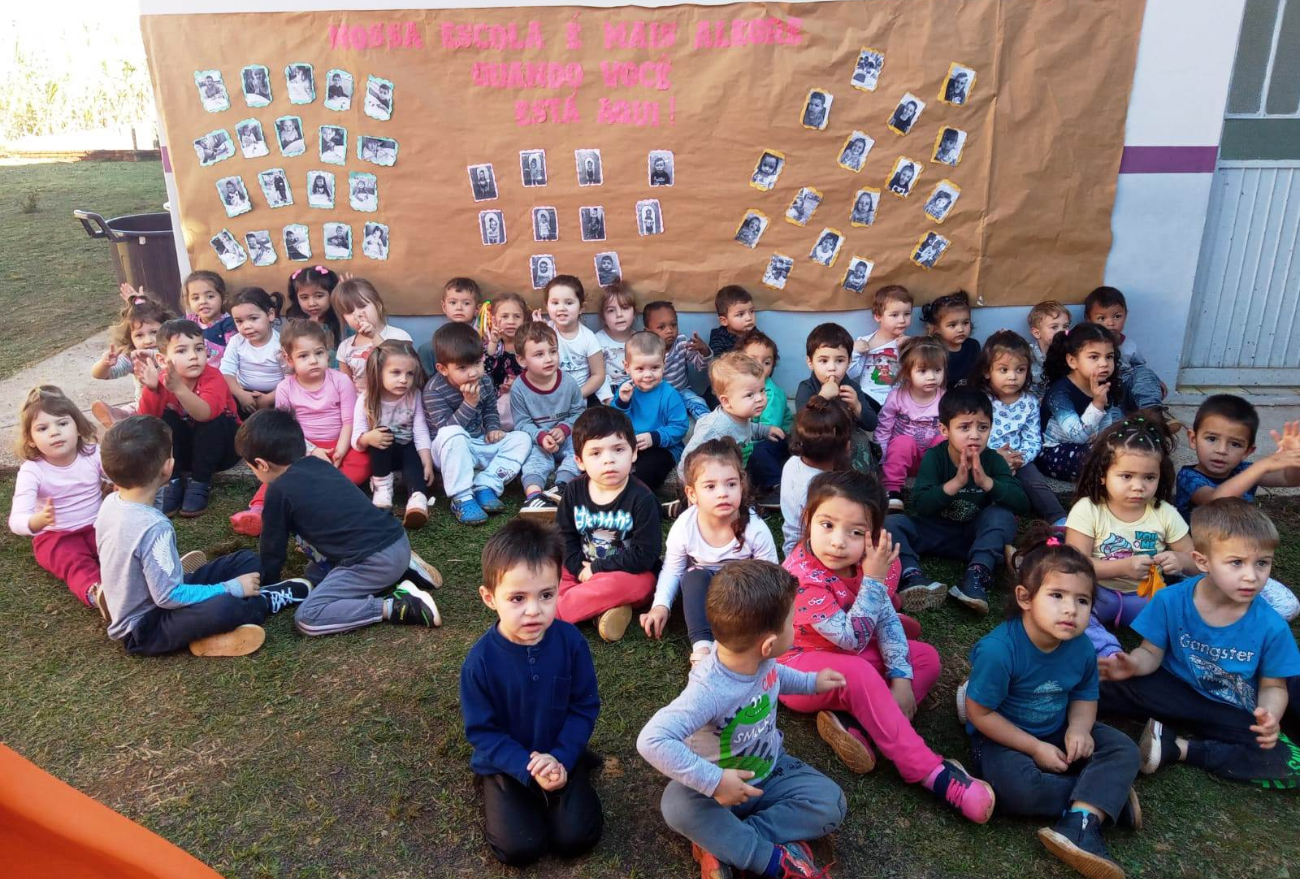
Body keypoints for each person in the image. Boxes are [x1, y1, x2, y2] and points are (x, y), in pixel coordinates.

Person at [782, 471, 997, 821]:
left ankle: (861, 728)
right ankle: (930, 772)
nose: (838, 542)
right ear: (807, 519)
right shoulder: (801, 577)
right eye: (827, 525)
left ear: (874, 535)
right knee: (860, 671)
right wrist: (875, 581)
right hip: (800, 667)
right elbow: (852, 639)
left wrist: (900, 676)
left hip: (846, 658)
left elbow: (884, 619)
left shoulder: (875, 562)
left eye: (855, 532)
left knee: (924, 657)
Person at [637, 559, 847, 879]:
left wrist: (812, 683)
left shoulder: (760, 660)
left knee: (831, 803)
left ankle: (723, 843)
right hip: (715, 793)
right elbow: (651, 740)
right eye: (792, 623)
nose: (796, 626)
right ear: (768, 645)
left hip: (771, 771)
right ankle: (773, 861)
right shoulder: (708, 689)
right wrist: (716, 781)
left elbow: (775, 675)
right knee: (677, 804)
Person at [965, 528, 1141, 879]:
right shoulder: (1000, 651)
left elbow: (1084, 693)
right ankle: (1106, 801)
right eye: (1057, 595)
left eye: (1082, 600)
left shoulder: (1082, 647)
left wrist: (1079, 728)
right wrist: (1034, 748)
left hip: (1058, 725)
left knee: (1123, 749)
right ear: (1025, 597)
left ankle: (1080, 820)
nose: (1070, 610)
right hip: (1003, 736)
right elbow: (980, 713)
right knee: (1017, 791)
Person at [1099, 498, 1300, 789]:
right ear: (1202, 561)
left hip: (1230, 706)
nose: (1252, 576)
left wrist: (1269, 715)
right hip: (1172, 688)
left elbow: (1273, 686)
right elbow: (1150, 652)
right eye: (1236, 562)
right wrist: (1132, 664)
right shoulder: (1171, 600)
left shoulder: (1272, 626)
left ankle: (1177, 748)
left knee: (1289, 762)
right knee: (1094, 685)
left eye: (1262, 563)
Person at [97, 415, 310, 656]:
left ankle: (134, 589)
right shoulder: (154, 527)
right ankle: (264, 602)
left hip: (149, 595)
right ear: (169, 467)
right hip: (145, 628)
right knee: (227, 606)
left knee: (248, 561)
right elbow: (169, 596)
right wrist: (231, 588)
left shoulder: (111, 502)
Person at [461, 518, 603, 866]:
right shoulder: (479, 663)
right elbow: (483, 732)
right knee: (521, 848)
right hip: (506, 763)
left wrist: (561, 757)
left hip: (560, 753)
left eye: (546, 595)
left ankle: (573, 769)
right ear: (489, 597)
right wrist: (526, 767)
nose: (533, 610)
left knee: (575, 838)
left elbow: (584, 706)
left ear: (558, 588)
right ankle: (505, 789)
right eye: (517, 598)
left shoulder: (571, 643)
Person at [237, 409, 443, 637]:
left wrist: (268, 584)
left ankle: (397, 605)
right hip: (395, 540)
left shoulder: (277, 490)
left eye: (251, 468)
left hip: (373, 560)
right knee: (314, 572)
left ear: (261, 464)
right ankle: (403, 570)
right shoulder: (320, 465)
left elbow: (272, 547)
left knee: (309, 617)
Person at [885, 387, 1030, 614]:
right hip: (935, 532)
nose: (974, 435)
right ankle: (912, 576)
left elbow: (1021, 503)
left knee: (1001, 516)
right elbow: (921, 505)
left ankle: (976, 576)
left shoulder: (992, 461)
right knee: (891, 524)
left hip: (973, 537)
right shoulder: (935, 457)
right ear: (944, 429)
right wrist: (955, 484)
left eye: (982, 428)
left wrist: (986, 483)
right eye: (964, 427)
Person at [1065, 415, 1201, 656]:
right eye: (1126, 476)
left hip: (1147, 596)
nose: (1138, 486)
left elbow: (1196, 562)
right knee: (1067, 607)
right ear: (1103, 475)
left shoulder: (1165, 513)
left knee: (1187, 607)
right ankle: (1107, 651)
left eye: (1149, 477)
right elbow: (1077, 565)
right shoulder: (1088, 509)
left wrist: (1181, 561)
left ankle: (1188, 648)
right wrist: (1122, 567)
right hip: (1097, 592)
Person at [642, 438, 778, 663]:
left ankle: (738, 643)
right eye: (711, 486)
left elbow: (771, 575)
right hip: (702, 593)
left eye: (731, 484)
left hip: (740, 594)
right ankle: (702, 647)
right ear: (692, 494)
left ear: (741, 486)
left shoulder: (755, 528)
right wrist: (660, 605)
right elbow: (672, 570)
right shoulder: (685, 526)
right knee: (693, 576)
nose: (723, 493)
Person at [230, 320, 369, 537]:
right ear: (289, 359)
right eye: (303, 356)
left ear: (327, 353)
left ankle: (322, 497)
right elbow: (287, 429)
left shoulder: (341, 381)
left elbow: (349, 421)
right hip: (300, 447)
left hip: (340, 444)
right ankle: (257, 511)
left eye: (319, 353)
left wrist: (340, 451)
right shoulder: (285, 387)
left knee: (363, 460)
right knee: (279, 469)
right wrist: (312, 451)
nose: (313, 361)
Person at [1175, 394, 1300, 619]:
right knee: (1192, 602)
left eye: (1235, 444)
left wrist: (1294, 461)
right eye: (1212, 439)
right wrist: (1262, 467)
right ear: (1193, 439)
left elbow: (1289, 480)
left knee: (1287, 606)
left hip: (1244, 562)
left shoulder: (1245, 470)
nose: (1222, 450)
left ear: (1248, 451)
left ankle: (1236, 608)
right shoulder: (1189, 477)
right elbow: (1216, 499)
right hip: (1201, 565)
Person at [554, 407, 662, 642]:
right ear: (579, 461)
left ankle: (556, 614)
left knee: (643, 583)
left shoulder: (642, 498)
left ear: (633, 453)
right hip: (580, 568)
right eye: (596, 453)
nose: (609, 459)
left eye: (618, 449)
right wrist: (577, 569)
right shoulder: (573, 490)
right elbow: (564, 536)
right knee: (549, 568)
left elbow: (646, 555)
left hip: (626, 573)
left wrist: (596, 570)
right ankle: (599, 612)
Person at [9, 387, 108, 611]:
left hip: (99, 526)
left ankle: (151, 574)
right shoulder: (32, 471)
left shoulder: (93, 453)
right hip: (56, 536)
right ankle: (98, 594)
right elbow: (16, 519)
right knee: (74, 561)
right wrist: (37, 521)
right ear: (31, 439)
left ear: (78, 427)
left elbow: (119, 474)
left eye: (62, 423)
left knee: (120, 547)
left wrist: (122, 481)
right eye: (42, 428)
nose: (54, 432)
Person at [424, 322, 531, 525]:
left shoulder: (484, 381)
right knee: (453, 434)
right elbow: (444, 430)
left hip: (478, 443)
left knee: (522, 438)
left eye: (477, 363)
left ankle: (485, 484)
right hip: (449, 452)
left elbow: (490, 409)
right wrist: (469, 403)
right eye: (463, 367)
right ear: (443, 368)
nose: (473, 372)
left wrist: (493, 428)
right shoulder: (434, 390)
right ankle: (461, 497)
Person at [136, 319, 242, 517]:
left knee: (213, 420)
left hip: (223, 451)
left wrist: (179, 389)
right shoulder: (162, 380)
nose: (194, 356)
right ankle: (173, 480)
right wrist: (151, 390)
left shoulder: (213, 377)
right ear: (161, 360)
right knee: (165, 420)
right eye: (182, 351)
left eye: (199, 348)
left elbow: (205, 414)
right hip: (186, 454)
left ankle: (200, 481)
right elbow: (147, 422)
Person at [973, 330, 1066, 523]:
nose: (1013, 377)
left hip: (1019, 459)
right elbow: (971, 435)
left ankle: (1059, 519)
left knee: (1035, 482)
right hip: (985, 456)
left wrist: (1019, 459)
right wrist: (994, 457)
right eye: (1003, 370)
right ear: (987, 371)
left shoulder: (1029, 402)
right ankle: (993, 517)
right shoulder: (979, 401)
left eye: (1020, 370)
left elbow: (1033, 439)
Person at [354, 340, 434, 525]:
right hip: (381, 455)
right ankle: (382, 491)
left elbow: (420, 430)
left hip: (406, 450)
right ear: (378, 372)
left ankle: (417, 498)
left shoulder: (414, 395)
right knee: (382, 434)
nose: (404, 380)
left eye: (409, 374)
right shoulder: (366, 399)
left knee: (411, 450)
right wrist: (368, 438)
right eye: (396, 373)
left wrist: (427, 462)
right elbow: (356, 438)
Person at [511, 322, 585, 517]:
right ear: (522, 360)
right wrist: (541, 436)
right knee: (534, 460)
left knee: (579, 451)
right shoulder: (519, 388)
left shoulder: (568, 382)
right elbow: (521, 423)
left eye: (553, 351)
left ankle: (561, 489)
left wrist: (564, 428)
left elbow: (578, 412)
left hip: (566, 436)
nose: (549, 359)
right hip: (539, 440)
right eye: (539, 354)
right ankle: (533, 496)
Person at [1085, 286, 1180, 429]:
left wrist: (1153, 380)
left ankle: (1153, 415)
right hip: (1105, 394)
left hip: (1129, 391)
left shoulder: (1129, 345)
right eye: (1102, 318)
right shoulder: (1085, 346)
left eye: (1117, 316)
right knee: (1110, 407)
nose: (1110, 323)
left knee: (1145, 374)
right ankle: (1121, 429)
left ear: (1126, 315)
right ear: (1088, 319)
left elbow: (1139, 368)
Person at [1039, 323, 1124, 481]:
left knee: (1128, 449)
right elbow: (1078, 436)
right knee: (1098, 460)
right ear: (1072, 361)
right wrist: (1097, 404)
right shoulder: (1059, 393)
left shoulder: (1103, 384)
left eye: (1109, 356)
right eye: (1094, 357)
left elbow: (1107, 425)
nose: (1104, 363)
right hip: (1054, 451)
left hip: (1092, 445)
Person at [875, 337, 947, 513]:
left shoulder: (945, 398)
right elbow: (884, 429)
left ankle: (933, 489)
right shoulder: (897, 397)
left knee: (943, 439)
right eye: (922, 371)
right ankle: (893, 492)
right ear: (907, 373)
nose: (931, 377)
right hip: (904, 458)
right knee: (902, 442)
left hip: (932, 459)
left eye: (937, 370)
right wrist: (882, 460)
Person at [794, 323, 878, 471]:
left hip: (847, 437)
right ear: (810, 362)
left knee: (860, 440)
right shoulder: (806, 387)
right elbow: (803, 423)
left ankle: (859, 486)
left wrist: (857, 407)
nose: (832, 367)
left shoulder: (851, 387)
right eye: (824, 361)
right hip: (817, 437)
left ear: (849, 361)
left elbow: (871, 424)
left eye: (839, 360)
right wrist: (822, 397)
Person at [611, 331, 688, 491]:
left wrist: (654, 437)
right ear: (627, 367)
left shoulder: (669, 394)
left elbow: (680, 427)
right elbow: (614, 422)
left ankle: (636, 497)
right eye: (639, 369)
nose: (648, 375)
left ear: (664, 364)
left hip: (663, 447)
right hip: (631, 444)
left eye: (655, 368)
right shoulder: (625, 391)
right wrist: (622, 402)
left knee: (650, 469)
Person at [681, 353, 781, 476]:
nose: (760, 398)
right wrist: (690, 486)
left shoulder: (740, 417)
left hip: (736, 472)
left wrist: (765, 431)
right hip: (716, 480)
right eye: (750, 395)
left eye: (762, 390)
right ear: (727, 402)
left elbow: (747, 429)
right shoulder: (714, 429)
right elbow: (689, 458)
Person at [780, 396, 853, 556]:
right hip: (814, 553)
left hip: (791, 548)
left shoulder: (792, 463)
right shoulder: (827, 489)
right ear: (845, 446)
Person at [90, 295, 173, 428]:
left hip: (174, 406)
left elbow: (175, 361)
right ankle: (118, 417)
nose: (148, 340)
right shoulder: (134, 358)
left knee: (140, 417)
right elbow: (99, 375)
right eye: (139, 335)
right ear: (130, 339)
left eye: (154, 332)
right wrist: (104, 365)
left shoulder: (175, 350)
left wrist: (152, 354)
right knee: (134, 409)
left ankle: (125, 421)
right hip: (146, 407)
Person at [736, 329, 792, 499]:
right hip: (751, 434)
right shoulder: (738, 387)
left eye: (766, 362)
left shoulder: (771, 393)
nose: (760, 366)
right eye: (753, 360)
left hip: (776, 437)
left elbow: (769, 429)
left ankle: (778, 487)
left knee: (758, 451)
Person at [333, 277, 412, 393]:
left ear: (378, 305)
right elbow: (346, 386)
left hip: (395, 402)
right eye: (349, 312)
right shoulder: (345, 347)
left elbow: (399, 366)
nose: (358, 315)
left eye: (362, 306)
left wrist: (374, 336)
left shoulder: (400, 336)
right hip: (361, 405)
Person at [219, 288, 287, 418]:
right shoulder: (236, 341)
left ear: (270, 314)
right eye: (239, 321)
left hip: (276, 394)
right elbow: (226, 372)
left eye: (253, 318)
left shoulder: (281, 344)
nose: (246, 326)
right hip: (243, 395)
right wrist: (240, 394)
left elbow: (291, 379)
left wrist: (268, 399)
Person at [643, 300, 711, 419]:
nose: (669, 330)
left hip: (682, 391)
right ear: (648, 332)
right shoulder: (645, 351)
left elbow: (699, 365)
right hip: (658, 396)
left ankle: (708, 427)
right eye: (661, 327)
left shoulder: (682, 342)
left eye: (673, 325)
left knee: (698, 402)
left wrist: (704, 351)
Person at [543, 275, 605, 403]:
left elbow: (598, 375)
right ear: (547, 307)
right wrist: (538, 334)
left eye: (569, 303)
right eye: (555, 303)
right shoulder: (545, 332)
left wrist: (577, 395)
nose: (561, 308)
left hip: (578, 401)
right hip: (548, 397)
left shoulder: (588, 338)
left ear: (581, 307)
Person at [849, 284, 912, 407]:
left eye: (907, 314)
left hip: (899, 400)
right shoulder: (865, 342)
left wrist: (910, 349)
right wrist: (855, 352)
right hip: (869, 399)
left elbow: (918, 373)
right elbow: (851, 374)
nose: (902, 320)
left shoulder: (910, 343)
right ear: (878, 316)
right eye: (894, 315)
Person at [482, 291, 530, 430]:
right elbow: (485, 370)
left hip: (523, 400)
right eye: (504, 316)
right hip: (495, 404)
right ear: (493, 319)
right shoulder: (491, 346)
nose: (511, 321)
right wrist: (493, 342)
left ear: (525, 319)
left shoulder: (528, 346)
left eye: (517, 316)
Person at [418, 277, 482, 374]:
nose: (459, 308)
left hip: (473, 378)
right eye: (453, 303)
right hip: (442, 382)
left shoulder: (483, 333)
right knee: (425, 349)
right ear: (444, 307)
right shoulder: (437, 341)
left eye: (466, 303)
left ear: (477, 309)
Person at [922, 290, 979, 388]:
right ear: (937, 328)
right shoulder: (934, 351)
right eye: (952, 325)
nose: (961, 329)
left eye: (965, 323)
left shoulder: (973, 346)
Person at [181, 270, 235, 368]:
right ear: (188, 301)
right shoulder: (189, 322)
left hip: (222, 375)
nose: (203, 302)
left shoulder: (229, 324)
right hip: (196, 372)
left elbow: (234, 355)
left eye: (210, 296)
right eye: (196, 298)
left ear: (224, 298)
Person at [284, 265, 342, 356]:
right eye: (304, 297)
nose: (311, 303)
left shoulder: (343, 322)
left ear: (332, 293)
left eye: (319, 296)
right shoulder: (295, 327)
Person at [596, 285, 636, 404]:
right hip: (610, 392)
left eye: (625, 307)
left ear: (634, 313)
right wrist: (609, 400)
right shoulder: (596, 341)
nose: (619, 314)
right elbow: (598, 376)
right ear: (603, 317)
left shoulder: (640, 340)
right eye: (611, 310)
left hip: (636, 388)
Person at [1027, 300, 1071, 397]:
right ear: (1037, 333)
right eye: (1054, 327)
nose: (1062, 331)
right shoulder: (1026, 354)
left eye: (1065, 326)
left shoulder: (1071, 354)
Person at [709, 285, 757, 357]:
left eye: (752, 311)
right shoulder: (718, 338)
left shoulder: (756, 335)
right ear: (724, 321)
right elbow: (717, 363)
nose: (749, 318)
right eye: (740, 314)